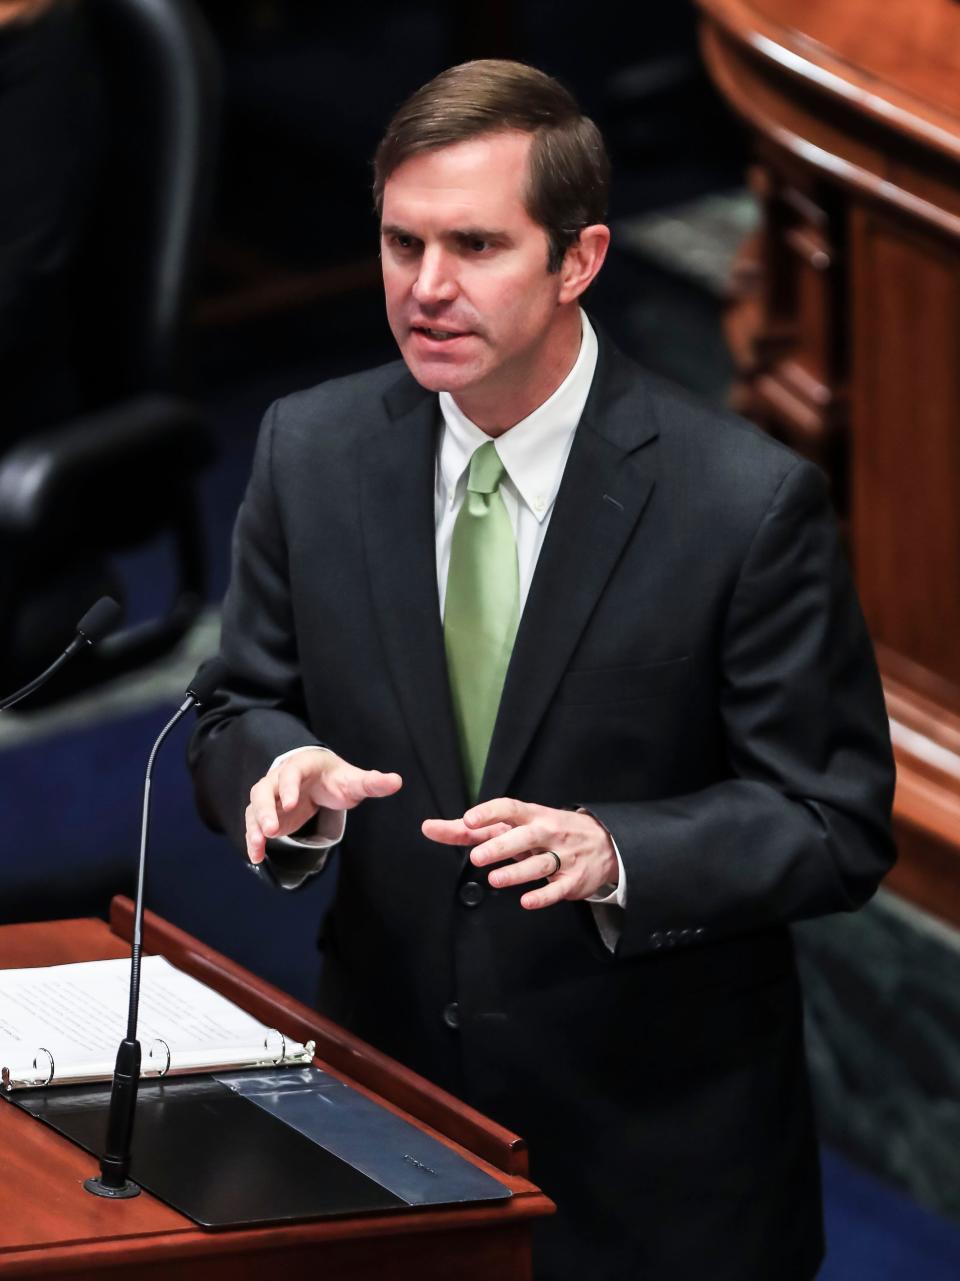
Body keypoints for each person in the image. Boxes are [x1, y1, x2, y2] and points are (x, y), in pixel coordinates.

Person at [190, 59, 895, 1281]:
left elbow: (834, 822)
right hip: (388, 1119)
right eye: (400, 243)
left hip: (653, 1159)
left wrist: (618, 852)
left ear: (579, 260)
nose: (427, 288)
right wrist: (281, 770)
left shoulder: (744, 502)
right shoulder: (311, 449)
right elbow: (233, 707)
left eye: (474, 244)